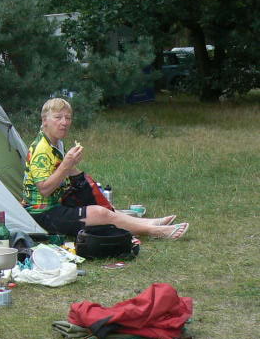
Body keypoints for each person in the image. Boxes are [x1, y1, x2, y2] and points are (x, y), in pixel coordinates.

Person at [21, 97, 189, 239]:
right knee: (101, 214)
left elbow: (70, 172)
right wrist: (67, 164)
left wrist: (92, 190)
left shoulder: (56, 142)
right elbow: (44, 189)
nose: (64, 122)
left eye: (68, 118)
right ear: (45, 120)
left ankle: (148, 222)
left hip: (58, 204)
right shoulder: (41, 149)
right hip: (42, 215)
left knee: (104, 208)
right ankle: (154, 231)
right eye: (58, 117)